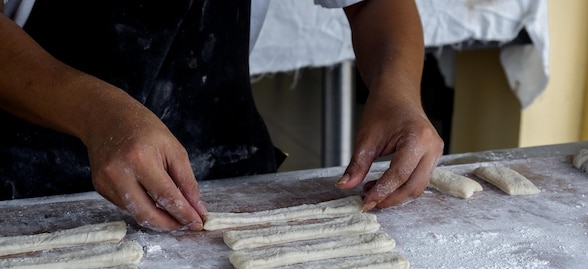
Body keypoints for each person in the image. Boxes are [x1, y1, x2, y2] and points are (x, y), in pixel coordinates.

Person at [0, 0, 443, 232]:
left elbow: (373, 3)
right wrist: (93, 111)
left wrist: (399, 93)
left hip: (224, 170)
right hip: (24, 183)